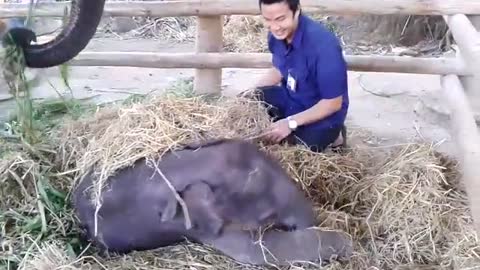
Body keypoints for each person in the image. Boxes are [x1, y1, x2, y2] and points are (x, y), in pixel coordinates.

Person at [250, 0, 349, 153]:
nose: (274, 27)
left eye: (280, 19)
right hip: (292, 99)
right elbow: (278, 69)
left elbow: (333, 103)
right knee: (254, 98)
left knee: (293, 152)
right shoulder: (276, 36)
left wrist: (289, 123)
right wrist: (247, 96)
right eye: (267, 20)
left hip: (322, 115)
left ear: (297, 11)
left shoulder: (324, 47)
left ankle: (336, 135)